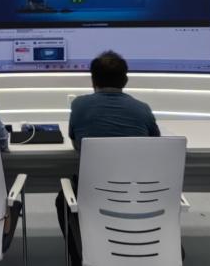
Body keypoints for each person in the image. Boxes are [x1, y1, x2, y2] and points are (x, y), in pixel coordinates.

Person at [56, 50, 161, 264]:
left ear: (93, 80)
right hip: (138, 192)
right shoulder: (143, 109)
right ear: (125, 80)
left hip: (93, 192)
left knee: (62, 200)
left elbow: (76, 142)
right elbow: (155, 145)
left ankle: (80, 257)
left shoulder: (79, 105)